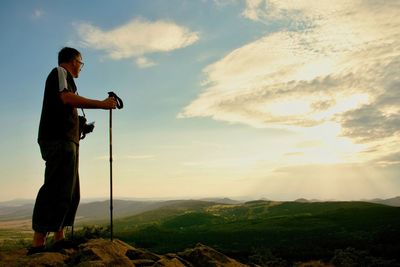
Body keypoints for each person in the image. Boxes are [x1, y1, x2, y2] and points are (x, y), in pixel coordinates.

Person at [28, 47, 117, 255]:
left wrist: (80, 126)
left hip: (68, 140)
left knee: (70, 191)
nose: (81, 67)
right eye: (80, 62)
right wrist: (102, 105)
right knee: (54, 188)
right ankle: (38, 243)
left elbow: (64, 106)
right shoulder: (60, 72)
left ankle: (59, 237)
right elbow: (65, 99)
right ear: (72, 61)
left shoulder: (69, 81)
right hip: (58, 140)